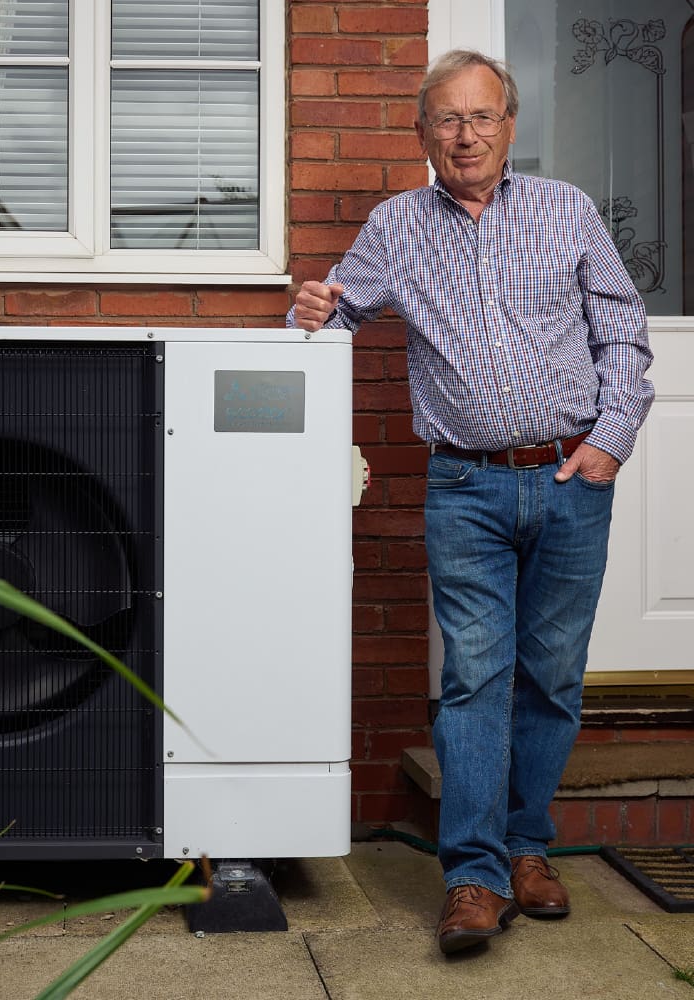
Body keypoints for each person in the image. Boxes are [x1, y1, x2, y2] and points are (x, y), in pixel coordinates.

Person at [289, 49, 654, 955]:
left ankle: (530, 851)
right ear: (422, 134)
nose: (465, 135)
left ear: (509, 126)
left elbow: (624, 339)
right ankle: (475, 875)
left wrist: (610, 442)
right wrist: (308, 315)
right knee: (473, 680)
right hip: (466, 486)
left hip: (573, 478)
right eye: (446, 120)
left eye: (481, 117)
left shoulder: (567, 212)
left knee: (553, 678)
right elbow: (333, 323)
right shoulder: (395, 226)